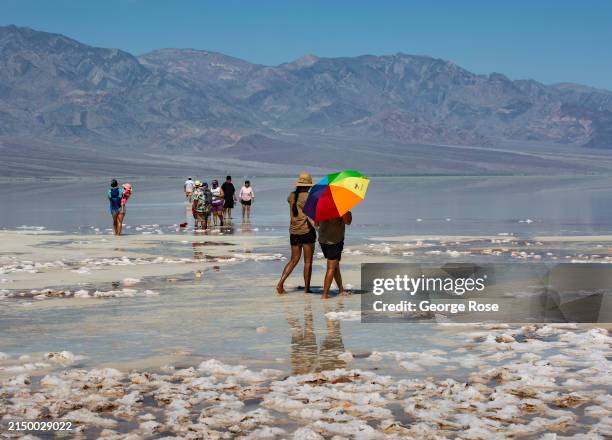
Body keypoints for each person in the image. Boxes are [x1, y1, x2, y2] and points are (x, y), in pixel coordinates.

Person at [277, 173, 316, 294]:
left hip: (294, 231)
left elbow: (290, 201)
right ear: (307, 185)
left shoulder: (291, 196)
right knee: (308, 262)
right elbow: (312, 215)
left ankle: (280, 283)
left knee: (293, 259)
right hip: (306, 231)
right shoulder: (309, 197)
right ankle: (307, 289)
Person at [318, 211, 352, 299]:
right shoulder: (340, 206)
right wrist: (347, 211)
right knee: (331, 268)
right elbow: (348, 221)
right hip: (334, 240)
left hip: (322, 239)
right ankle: (325, 295)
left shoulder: (320, 204)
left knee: (335, 265)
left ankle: (341, 289)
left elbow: (316, 223)